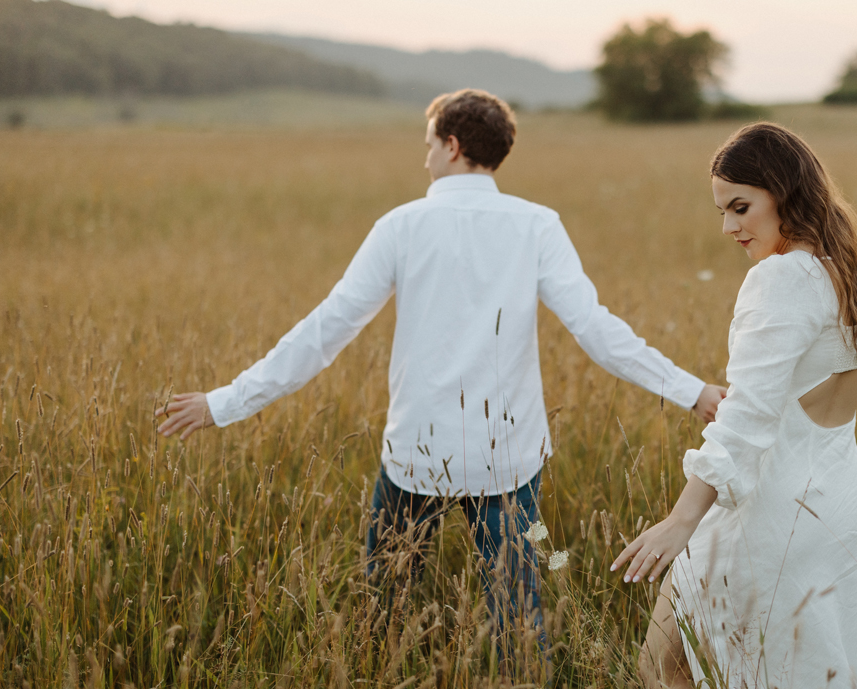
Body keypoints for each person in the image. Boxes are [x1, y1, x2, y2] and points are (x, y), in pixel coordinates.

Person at [155, 88, 725, 656]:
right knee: (519, 620)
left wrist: (224, 402)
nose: (424, 155)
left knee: (386, 611)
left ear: (452, 145)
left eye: (428, 144)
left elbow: (325, 330)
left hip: (415, 455)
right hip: (509, 456)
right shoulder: (536, 224)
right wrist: (691, 390)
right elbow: (596, 331)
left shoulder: (401, 225)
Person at [612, 122, 857, 689]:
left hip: (763, 516)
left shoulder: (779, 280)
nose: (728, 227)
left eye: (741, 206)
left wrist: (682, 520)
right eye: (721, 211)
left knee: (667, 673)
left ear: (784, 194)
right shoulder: (850, 271)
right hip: (826, 509)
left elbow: (745, 419)